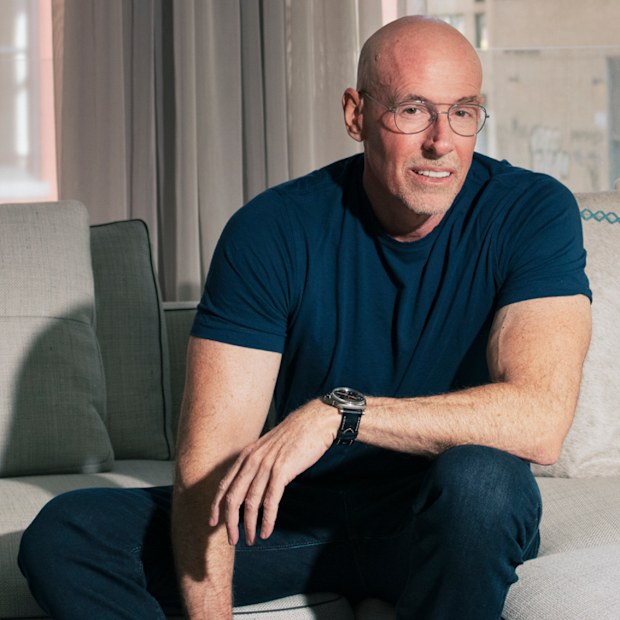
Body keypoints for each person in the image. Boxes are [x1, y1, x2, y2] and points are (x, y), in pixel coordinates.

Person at [19, 15, 591, 620]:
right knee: (68, 533)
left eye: (463, 112)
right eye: (413, 110)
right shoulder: (272, 229)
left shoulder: (531, 211)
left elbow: (540, 419)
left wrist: (341, 415)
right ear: (356, 114)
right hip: (299, 514)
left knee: (483, 481)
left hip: (444, 516)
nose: (441, 141)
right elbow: (211, 461)